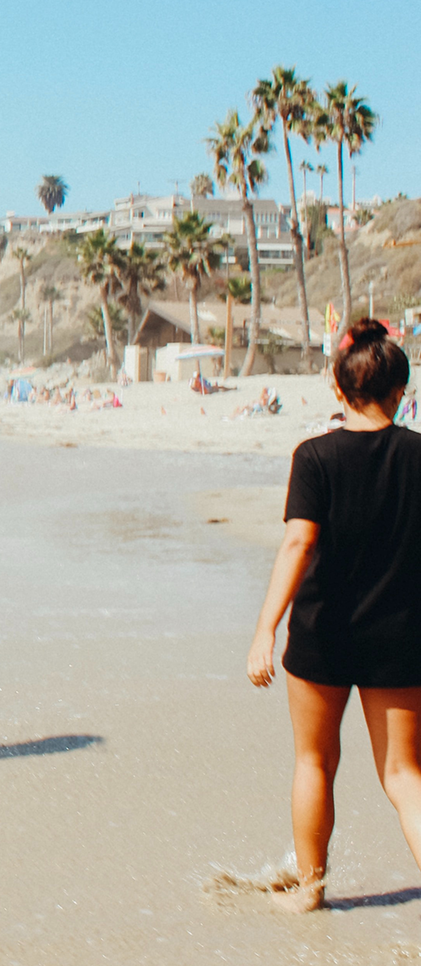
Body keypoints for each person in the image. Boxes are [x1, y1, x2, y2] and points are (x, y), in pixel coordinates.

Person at [246, 319, 421, 912]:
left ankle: (311, 893)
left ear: (338, 392)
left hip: (322, 633)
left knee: (314, 761)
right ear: (402, 390)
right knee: (404, 776)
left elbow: (298, 545)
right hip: (400, 636)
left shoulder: (315, 456)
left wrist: (265, 628)